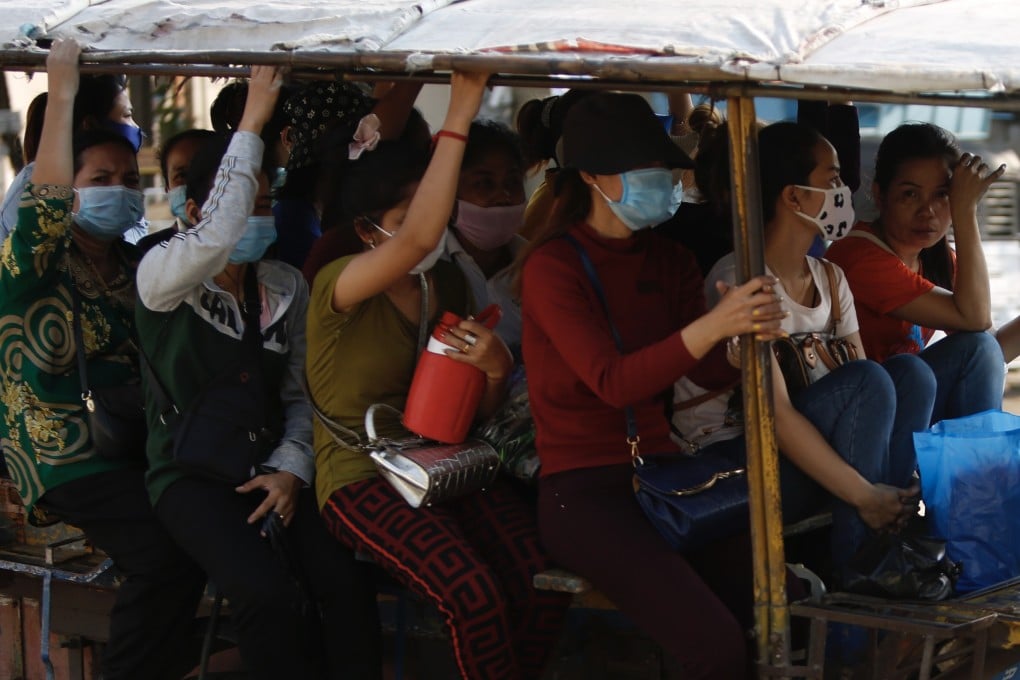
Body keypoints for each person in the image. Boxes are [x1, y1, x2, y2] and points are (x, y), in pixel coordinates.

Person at [307, 71, 570, 680]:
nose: (427, 227)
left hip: (442, 461)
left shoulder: (444, 284)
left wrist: (496, 372)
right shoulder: (340, 283)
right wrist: (463, 103)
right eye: (408, 215)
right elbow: (422, 235)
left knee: (542, 577)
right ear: (370, 227)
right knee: (470, 595)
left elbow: (468, 414)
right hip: (359, 475)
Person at [517, 91, 787, 678]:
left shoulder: (670, 259)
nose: (665, 182)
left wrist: (740, 350)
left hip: (665, 477)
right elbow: (612, 383)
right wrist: (714, 325)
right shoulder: (553, 268)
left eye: (666, 171)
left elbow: (697, 371)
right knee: (713, 647)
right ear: (594, 177)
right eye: (650, 172)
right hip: (583, 494)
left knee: (769, 615)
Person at [136, 65, 382, 680]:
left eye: (267, 203)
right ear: (193, 209)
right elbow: (215, 234)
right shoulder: (163, 275)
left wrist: (291, 470)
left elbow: (302, 394)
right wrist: (255, 118)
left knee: (344, 583)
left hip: (271, 471)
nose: (259, 216)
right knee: (266, 594)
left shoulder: (285, 285)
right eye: (247, 203)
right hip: (190, 477)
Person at [0, 39, 205, 680]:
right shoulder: (30, 265)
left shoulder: (132, 262)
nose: (118, 192)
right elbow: (45, 204)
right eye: (99, 181)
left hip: (137, 443)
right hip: (63, 451)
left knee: (198, 543)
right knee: (163, 553)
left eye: (129, 181)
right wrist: (63, 94)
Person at [699, 122, 932, 571]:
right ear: (793, 197)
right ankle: (860, 572)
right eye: (832, 180)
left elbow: (872, 385)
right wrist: (863, 491)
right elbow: (776, 418)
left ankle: (890, 520)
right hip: (752, 460)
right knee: (868, 381)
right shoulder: (741, 280)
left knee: (911, 374)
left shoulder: (829, 276)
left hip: (819, 443)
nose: (844, 190)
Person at [825, 122, 1007, 422]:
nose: (928, 212)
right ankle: (979, 467)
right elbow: (976, 321)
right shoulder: (860, 257)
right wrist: (964, 212)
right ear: (879, 195)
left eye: (942, 195)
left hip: (906, 400)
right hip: (856, 416)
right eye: (910, 194)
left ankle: (979, 464)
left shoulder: (936, 258)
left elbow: (989, 349)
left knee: (979, 349)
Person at [0, 73, 143, 240]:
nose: (135, 126)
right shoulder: (39, 182)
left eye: (131, 180)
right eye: (127, 115)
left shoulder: (126, 255)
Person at [445, 119, 527, 356]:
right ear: (450, 194)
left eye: (513, 182)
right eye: (484, 184)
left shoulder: (538, 264)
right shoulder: (431, 264)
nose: (503, 196)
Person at [159, 128, 215, 227]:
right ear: (167, 188)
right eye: (182, 175)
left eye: (206, 172)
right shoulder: (153, 243)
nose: (195, 182)